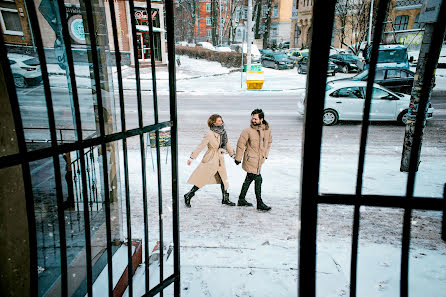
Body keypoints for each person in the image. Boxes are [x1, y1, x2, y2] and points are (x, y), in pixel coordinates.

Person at [184, 114, 236, 208]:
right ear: (213, 122)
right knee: (202, 179)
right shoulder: (209, 134)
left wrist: (233, 155)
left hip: (220, 158)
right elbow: (201, 146)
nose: (222, 122)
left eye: (221, 120)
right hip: (211, 159)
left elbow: (227, 144)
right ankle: (189, 195)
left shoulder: (223, 132)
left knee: (224, 179)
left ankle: (225, 199)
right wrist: (192, 157)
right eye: (219, 120)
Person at [234, 109, 272, 211]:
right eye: (252, 118)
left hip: (260, 160)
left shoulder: (267, 131)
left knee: (249, 178)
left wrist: (265, 155)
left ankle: (241, 199)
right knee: (258, 179)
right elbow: (240, 145)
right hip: (251, 159)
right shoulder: (247, 131)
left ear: (261, 119)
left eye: (255, 118)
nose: (253, 120)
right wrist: (238, 158)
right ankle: (259, 203)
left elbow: (269, 143)